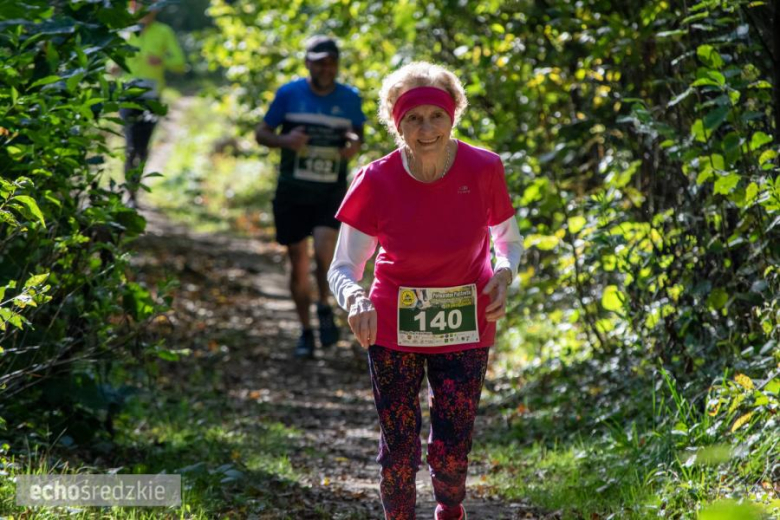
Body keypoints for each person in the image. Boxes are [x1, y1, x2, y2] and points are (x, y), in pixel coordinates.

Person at [327, 62, 523, 520]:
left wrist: (505, 271)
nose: (427, 128)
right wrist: (355, 298)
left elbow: (507, 239)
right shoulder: (376, 179)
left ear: (453, 116)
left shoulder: (484, 167)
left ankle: (449, 509)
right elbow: (343, 266)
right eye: (413, 119)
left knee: (452, 448)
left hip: (466, 322)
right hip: (393, 325)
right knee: (398, 449)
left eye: (436, 115)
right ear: (397, 125)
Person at [255, 36, 367, 359]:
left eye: (331, 62)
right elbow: (261, 133)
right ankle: (305, 331)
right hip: (292, 191)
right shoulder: (289, 94)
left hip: (330, 191)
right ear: (307, 63)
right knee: (297, 262)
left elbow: (357, 134)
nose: (325, 68)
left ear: (337, 64)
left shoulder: (349, 98)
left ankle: (324, 306)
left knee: (324, 253)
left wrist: (352, 143)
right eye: (319, 62)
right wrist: (286, 140)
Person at [120, 0, 185, 206]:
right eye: (139, 6)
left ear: (155, 10)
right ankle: (129, 193)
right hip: (127, 96)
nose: (144, 11)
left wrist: (162, 61)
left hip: (151, 97)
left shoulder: (163, 32)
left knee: (143, 146)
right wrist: (112, 68)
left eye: (149, 7)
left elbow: (180, 65)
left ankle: (135, 191)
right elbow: (109, 60)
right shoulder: (124, 31)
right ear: (132, 7)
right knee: (130, 144)